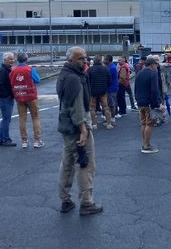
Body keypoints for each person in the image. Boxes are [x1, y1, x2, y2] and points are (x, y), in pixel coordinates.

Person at [56, 46, 102, 216]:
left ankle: (65, 199)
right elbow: (77, 108)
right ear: (71, 60)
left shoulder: (64, 75)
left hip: (66, 125)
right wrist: (83, 130)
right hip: (77, 125)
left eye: (85, 57)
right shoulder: (74, 78)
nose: (85, 60)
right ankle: (87, 203)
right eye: (80, 58)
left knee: (67, 163)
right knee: (85, 163)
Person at [10, 53, 43, 149]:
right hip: (31, 96)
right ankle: (37, 140)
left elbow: (11, 82)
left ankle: (24, 141)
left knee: (22, 118)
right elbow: (37, 80)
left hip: (19, 96)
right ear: (26, 60)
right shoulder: (29, 69)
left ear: (17, 60)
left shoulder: (13, 70)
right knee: (35, 117)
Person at [135, 57, 164, 153]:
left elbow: (135, 89)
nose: (157, 66)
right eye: (156, 64)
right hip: (149, 103)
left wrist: (137, 100)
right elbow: (154, 90)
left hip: (140, 102)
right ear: (152, 65)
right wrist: (157, 104)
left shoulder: (139, 73)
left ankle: (144, 143)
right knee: (149, 124)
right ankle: (146, 146)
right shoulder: (153, 74)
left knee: (143, 123)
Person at [0, 52, 16, 147]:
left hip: (5, 98)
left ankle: (0, 139)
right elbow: (0, 85)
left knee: (5, 119)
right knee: (6, 120)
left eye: (13, 59)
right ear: (5, 60)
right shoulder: (2, 71)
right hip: (4, 98)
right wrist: (8, 94)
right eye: (10, 59)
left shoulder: (6, 70)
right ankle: (6, 139)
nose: (12, 60)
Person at [87, 55, 113, 130]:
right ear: (101, 60)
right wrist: (105, 87)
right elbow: (109, 81)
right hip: (103, 91)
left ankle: (94, 124)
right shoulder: (106, 69)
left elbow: (87, 81)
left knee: (92, 108)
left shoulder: (90, 70)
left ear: (94, 61)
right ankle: (109, 123)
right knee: (106, 107)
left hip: (93, 92)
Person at [104, 54, 119, 121]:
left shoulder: (111, 68)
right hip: (112, 88)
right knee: (111, 103)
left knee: (111, 104)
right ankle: (111, 116)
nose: (103, 60)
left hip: (111, 89)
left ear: (108, 60)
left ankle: (112, 118)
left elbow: (108, 79)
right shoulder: (111, 66)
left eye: (104, 59)